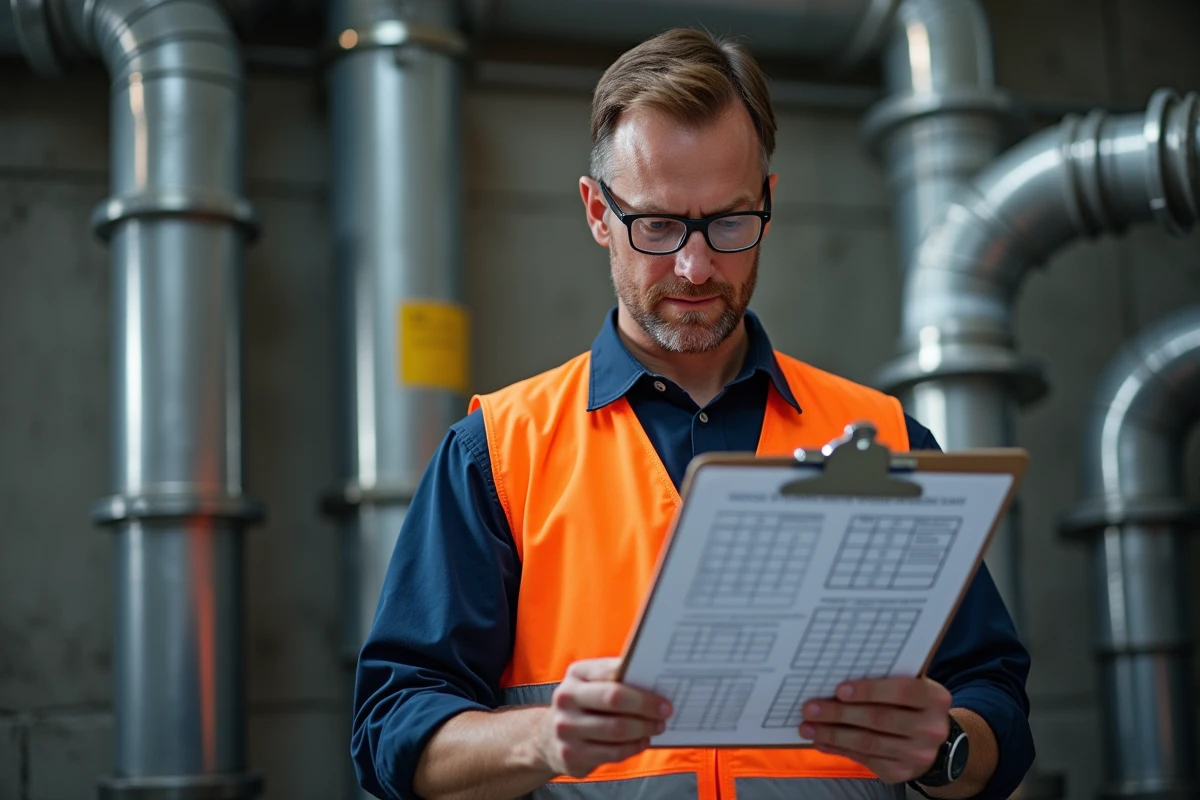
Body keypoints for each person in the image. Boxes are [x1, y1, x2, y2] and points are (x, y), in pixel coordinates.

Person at [351, 27, 1034, 800]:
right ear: (597, 213)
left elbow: (995, 702)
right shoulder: (498, 454)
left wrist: (945, 747)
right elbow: (391, 734)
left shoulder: (889, 439)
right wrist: (540, 739)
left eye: (729, 222)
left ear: (768, 201)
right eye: (658, 224)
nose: (696, 265)